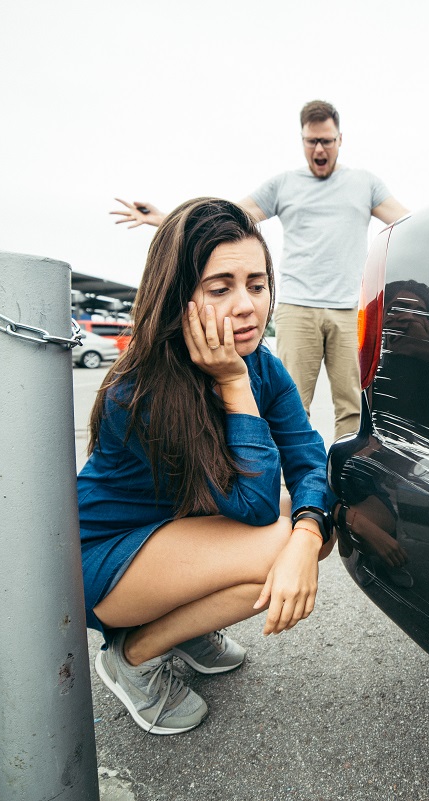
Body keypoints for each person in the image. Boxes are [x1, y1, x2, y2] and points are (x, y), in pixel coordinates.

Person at [79, 197, 335, 735]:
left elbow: (311, 460)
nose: (247, 306)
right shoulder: (143, 389)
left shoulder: (264, 365)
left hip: (175, 536)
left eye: (257, 285)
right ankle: (134, 656)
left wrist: (310, 534)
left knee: (314, 527)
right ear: (179, 296)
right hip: (103, 558)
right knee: (273, 541)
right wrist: (234, 386)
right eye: (221, 288)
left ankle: (184, 628)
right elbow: (257, 508)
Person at [111, 100, 410, 441]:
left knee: (353, 407)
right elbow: (223, 219)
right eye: (311, 141)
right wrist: (165, 219)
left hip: (347, 309)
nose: (319, 148)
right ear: (302, 141)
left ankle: (345, 483)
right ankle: (286, 484)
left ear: (340, 139)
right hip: (299, 307)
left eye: (326, 140)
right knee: (294, 402)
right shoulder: (283, 185)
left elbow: (404, 222)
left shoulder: (365, 183)